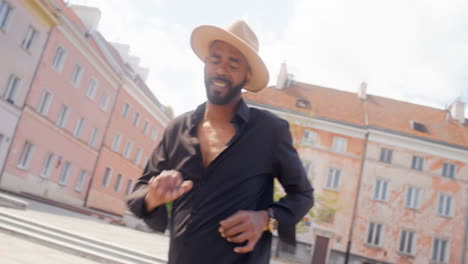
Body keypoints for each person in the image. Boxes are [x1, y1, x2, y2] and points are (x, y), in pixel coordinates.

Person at [126, 20, 314, 264]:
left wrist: (266, 219)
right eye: (215, 60)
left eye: (233, 63)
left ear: (247, 75)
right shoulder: (177, 129)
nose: (221, 70)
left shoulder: (270, 131)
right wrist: (154, 196)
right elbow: (141, 190)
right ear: (205, 65)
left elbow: (303, 196)